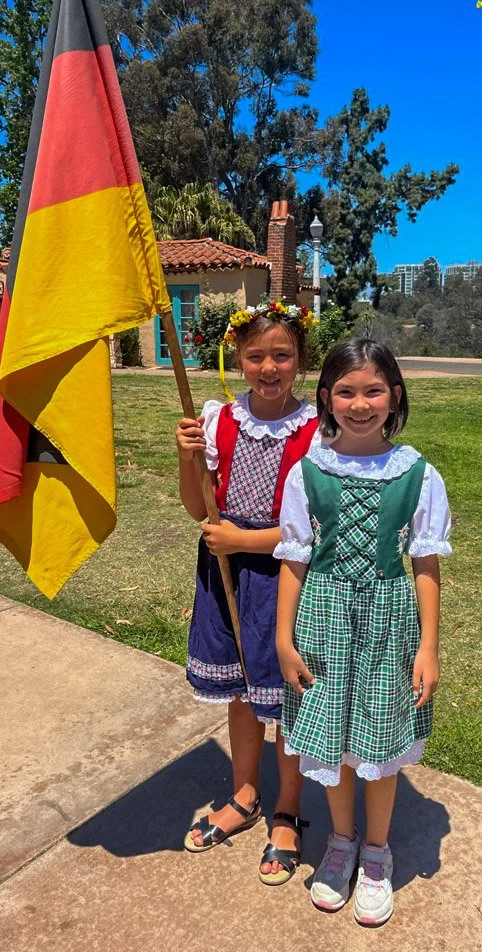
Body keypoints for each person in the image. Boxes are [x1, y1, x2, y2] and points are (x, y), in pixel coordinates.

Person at [275, 337, 452, 926]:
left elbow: (425, 565)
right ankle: (341, 840)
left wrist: (428, 646)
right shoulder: (308, 472)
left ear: (394, 396)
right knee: (331, 738)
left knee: (379, 741)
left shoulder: (418, 474)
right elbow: (295, 559)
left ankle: (376, 851)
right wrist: (282, 638)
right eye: (346, 391)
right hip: (321, 621)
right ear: (326, 398)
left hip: (387, 622)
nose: (359, 403)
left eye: (373, 390)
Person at [176, 300, 319, 885]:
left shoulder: (317, 430)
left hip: (288, 576)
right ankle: (243, 794)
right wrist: (187, 460)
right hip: (226, 575)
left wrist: (244, 539)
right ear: (236, 359)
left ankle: (287, 808)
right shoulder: (216, 420)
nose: (268, 367)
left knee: (287, 695)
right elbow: (195, 508)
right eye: (256, 355)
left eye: (281, 355)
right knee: (240, 689)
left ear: (300, 361)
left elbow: (315, 527)